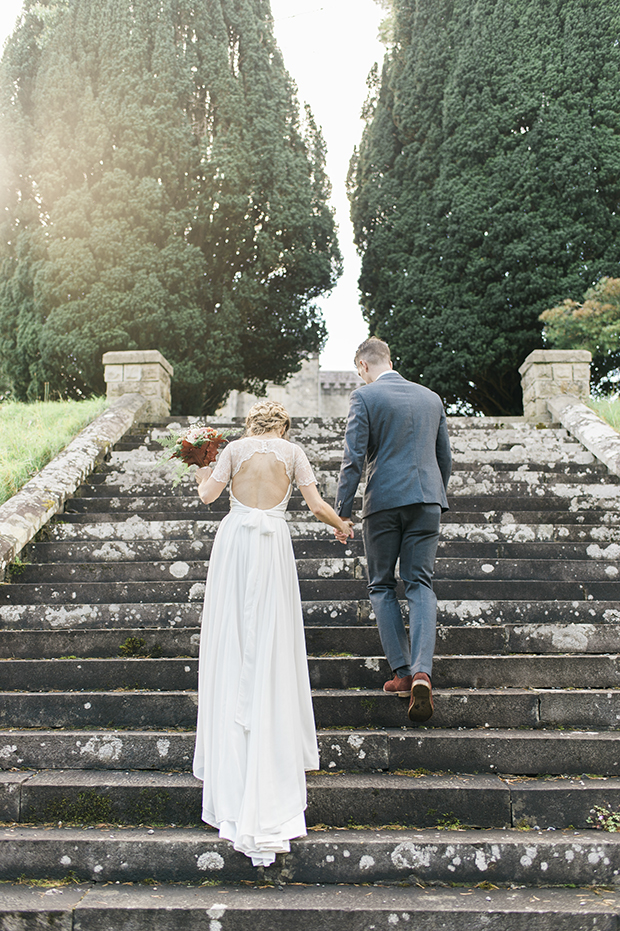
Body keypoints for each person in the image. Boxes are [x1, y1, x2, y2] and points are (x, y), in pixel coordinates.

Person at [192, 400, 353, 867]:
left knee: (234, 634)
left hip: (237, 541)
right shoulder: (293, 451)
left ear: (250, 424)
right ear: (282, 425)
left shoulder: (234, 450)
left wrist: (199, 471)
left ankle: (236, 734)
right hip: (273, 543)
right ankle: (269, 718)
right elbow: (317, 503)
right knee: (272, 634)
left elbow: (207, 498)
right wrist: (340, 526)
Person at [334, 337, 451, 723]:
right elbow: (443, 457)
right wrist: (435, 494)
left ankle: (402, 673)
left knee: (382, 585)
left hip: (383, 502)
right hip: (427, 501)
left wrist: (342, 512)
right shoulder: (431, 398)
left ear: (363, 366)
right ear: (390, 360)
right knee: (420, 584)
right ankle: (422, 671)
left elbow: (353, 458)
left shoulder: (365, 398)